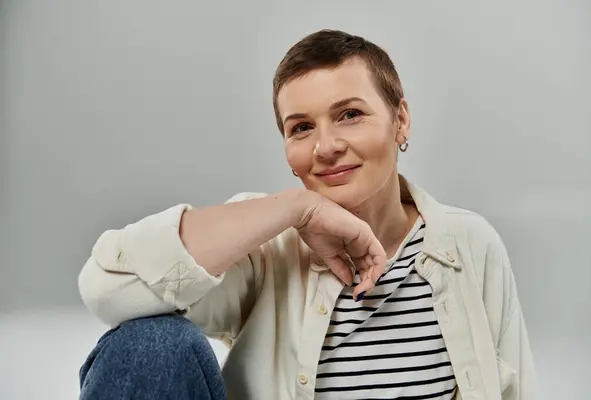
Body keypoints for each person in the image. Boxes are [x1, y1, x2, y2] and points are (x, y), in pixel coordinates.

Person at [78, 29, 536, 400]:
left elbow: (516, 391)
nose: (326, 147)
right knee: (150, 346)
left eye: (350, 114)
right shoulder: (268, 244)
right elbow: (107, 288)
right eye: (301, 128)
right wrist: (298, 207)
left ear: (401, 121)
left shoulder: (469, 244)